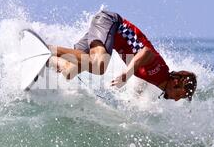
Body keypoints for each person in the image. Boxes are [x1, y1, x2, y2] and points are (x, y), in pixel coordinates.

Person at [48, 9, 197, 101]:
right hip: (111, 24)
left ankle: (45, 59)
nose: (177, 100)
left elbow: (142, 81)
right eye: (180, 95)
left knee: (69, 71)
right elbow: (146, 52)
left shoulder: (157, 81)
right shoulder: (161, 70)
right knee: (99, 66)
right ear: (176, 82)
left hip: (107, 36)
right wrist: (126, 75)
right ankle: (49, 49)